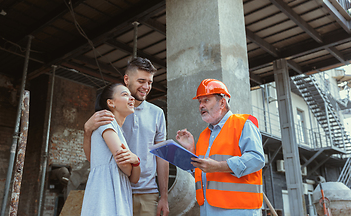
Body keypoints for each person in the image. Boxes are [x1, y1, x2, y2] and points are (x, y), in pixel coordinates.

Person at [83, 57, 169, 216]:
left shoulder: (157, 113)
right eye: (141, 81)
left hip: (147, 192)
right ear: (126, 79)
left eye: (150, 82)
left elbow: (161, 157)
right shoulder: (108, 117)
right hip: (117, 188)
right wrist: (87, 130)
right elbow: (95, 157)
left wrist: (164, 196)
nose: (146, 87)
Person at [176, 79, 265, 216]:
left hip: (239, 210)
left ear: (222, 102)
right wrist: (191, 150)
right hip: (208, 209)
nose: (201, 106)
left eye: (206, 100)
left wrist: (219, 166)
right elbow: (201, 173)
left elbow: (257, 159)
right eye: (200, 102)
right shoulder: (204, 135)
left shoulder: (243, 124)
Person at [81, 83, 140, 216]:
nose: (132, 98)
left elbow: (134, 178)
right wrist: (132, 164)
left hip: (115, 193)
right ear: (111, 103)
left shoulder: (117, 130)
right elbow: (126, 167)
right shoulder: (106, 123)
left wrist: (135, 160)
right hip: (106, 195)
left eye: (131, 95)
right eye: (125, 95)